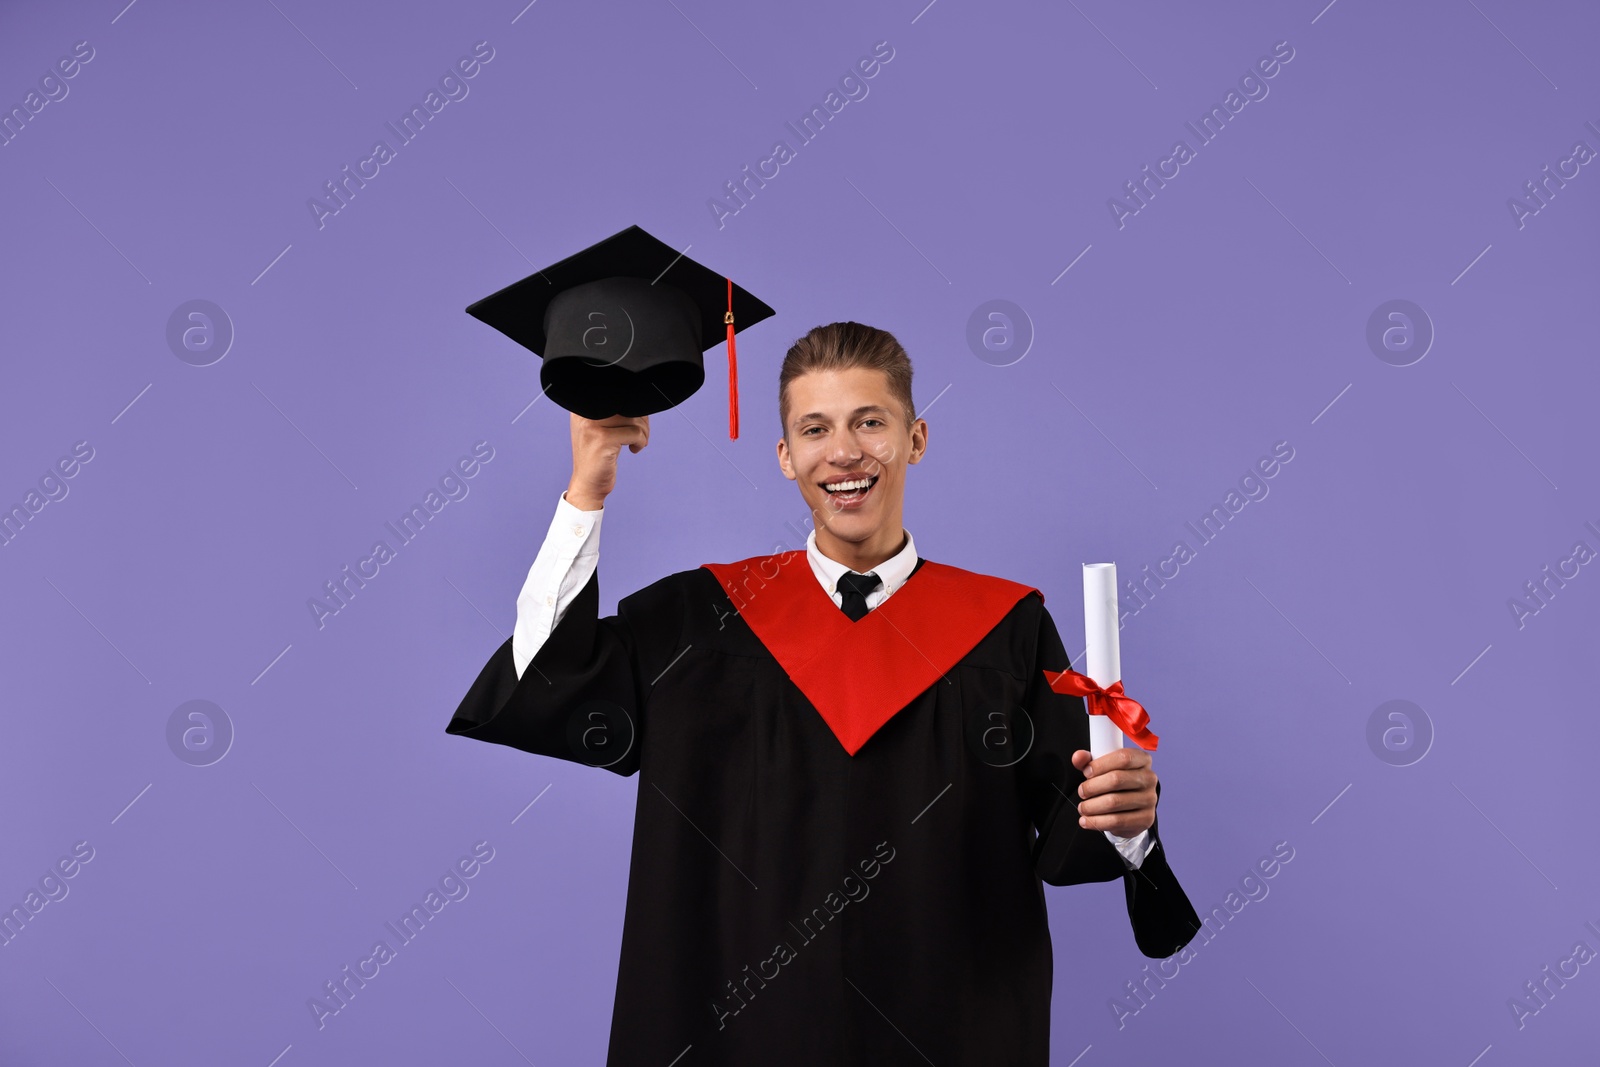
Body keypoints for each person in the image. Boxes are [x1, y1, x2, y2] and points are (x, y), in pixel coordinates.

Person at [446, 321, 1201, 1065]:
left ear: (917, 438)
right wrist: (588, 490)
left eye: (870, 421)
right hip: (738, 1030)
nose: (844, 452)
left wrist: (1130, 816)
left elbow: (1076, 830)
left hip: (946, 1028)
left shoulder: (1004, 631)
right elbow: (546, 679)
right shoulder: (698, 622)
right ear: (785, 456)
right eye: (815, 429)